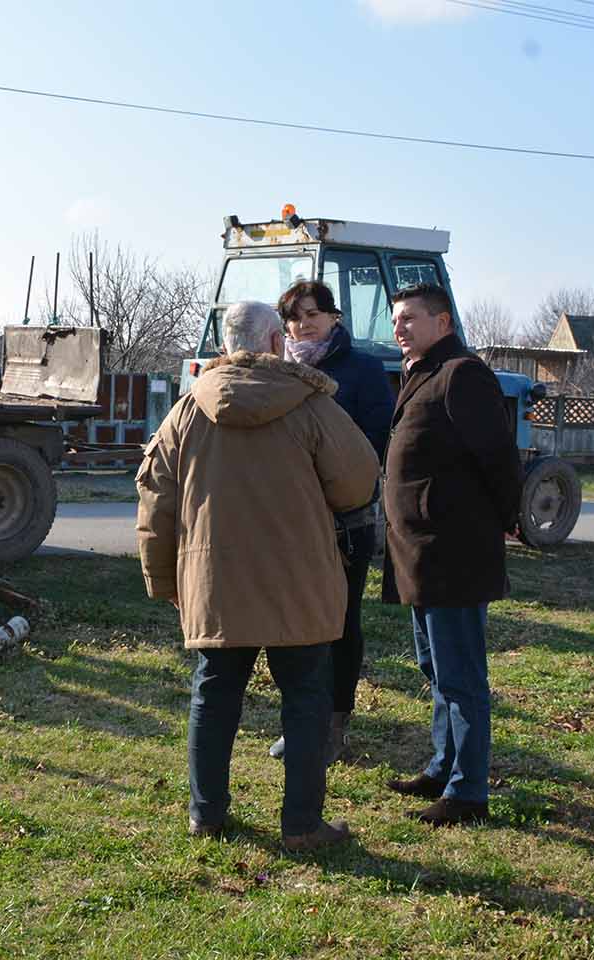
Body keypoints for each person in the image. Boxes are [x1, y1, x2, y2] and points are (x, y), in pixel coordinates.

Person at [137, 300, 379, 851]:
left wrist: (163, 582)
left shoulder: (185, 412)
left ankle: (207, 814)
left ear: (225, 345)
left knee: (214, 694)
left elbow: (155, 502)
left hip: (215, 580)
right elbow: (357, 484)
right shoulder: (312, 405)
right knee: (306, 699)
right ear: (276, 343)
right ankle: (301, 826)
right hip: (301, 579)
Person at [382, 283, 522, 827]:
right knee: (435, 668)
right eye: (396, 319)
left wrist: (503, 520)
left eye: (410, 318)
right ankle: (443, 767)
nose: (399, 328)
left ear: (442, 322)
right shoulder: (419, 373)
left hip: (453, 553)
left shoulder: (462, 374)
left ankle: (468, 792)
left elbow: (498, 459)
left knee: (460, 676)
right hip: (417, 553)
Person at [267, 280, 395, 764]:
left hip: (346, 518)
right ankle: (300, 722)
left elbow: (375, 438)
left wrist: (328, 474)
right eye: (294, 317)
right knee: (290, 623)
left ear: (334, 317)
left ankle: (336, 723)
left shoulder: (360, 369)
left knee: (341, 621)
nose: (303, 325)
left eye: (312, 314)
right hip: (287, 519)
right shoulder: (278, 371)